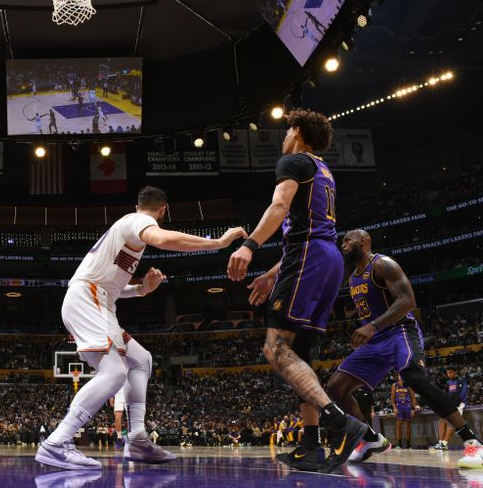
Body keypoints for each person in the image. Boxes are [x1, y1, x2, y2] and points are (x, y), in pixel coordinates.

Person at [35, 186, 247, 469]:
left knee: (140, 360)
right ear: (162, 211)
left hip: (97, 300)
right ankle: (57, 442)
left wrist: (142, 289)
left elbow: (113, 288)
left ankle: (136, 438)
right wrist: (218, 242)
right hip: (89, 300)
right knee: (114, 372)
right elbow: (160, 238)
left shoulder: (125, 233)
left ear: (139, 204)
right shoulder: (138, 222)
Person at [228, 109, 364, 473]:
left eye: (288, 128)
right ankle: (310, 445)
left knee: (276, 348)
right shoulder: (324, 170)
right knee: (301, 356)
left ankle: (339, 421)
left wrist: (250, 246)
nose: (284, 135)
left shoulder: (293, 160)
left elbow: (279, 206)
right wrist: (274, 273)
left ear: (299, 132)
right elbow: (309, 229)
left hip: (310, 256)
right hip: (327, 259)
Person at [326, 229, 482, 468]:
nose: (343, 244)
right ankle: (369, 439)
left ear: (364, 241)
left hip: (399, 331)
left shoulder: (383, 264)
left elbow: (408, 300)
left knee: (414, 378)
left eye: (347, 239)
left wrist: (372, 326)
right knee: (335, 388)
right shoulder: (353, 278)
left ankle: (473, 443)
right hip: (376, 339)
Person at [431, 367, 469, 451]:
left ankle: (445, 443)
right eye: (448, 373)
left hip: (459, 404)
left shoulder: (461, 380)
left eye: (451, 372)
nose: (449, 375)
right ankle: (441, 442)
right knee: (441, 421)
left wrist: (455, 404)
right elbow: (447, 394)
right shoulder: (448, 382)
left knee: (451, 423)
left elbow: (462, 394)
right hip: (450, 404)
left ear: (455, 372)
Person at [391, 374, 416, 449]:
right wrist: (394, 408)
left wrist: (413, 409)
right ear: (398, 376)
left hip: (407, 405)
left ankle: (408, 445)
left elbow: (413, 398)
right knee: (399, 426)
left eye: (402, 375)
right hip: (399, 406)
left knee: (408, 425)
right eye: (399, 375)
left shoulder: (409, 384)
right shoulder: (394, 385)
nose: (401, 377)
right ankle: (399, 444)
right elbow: (392, 399)